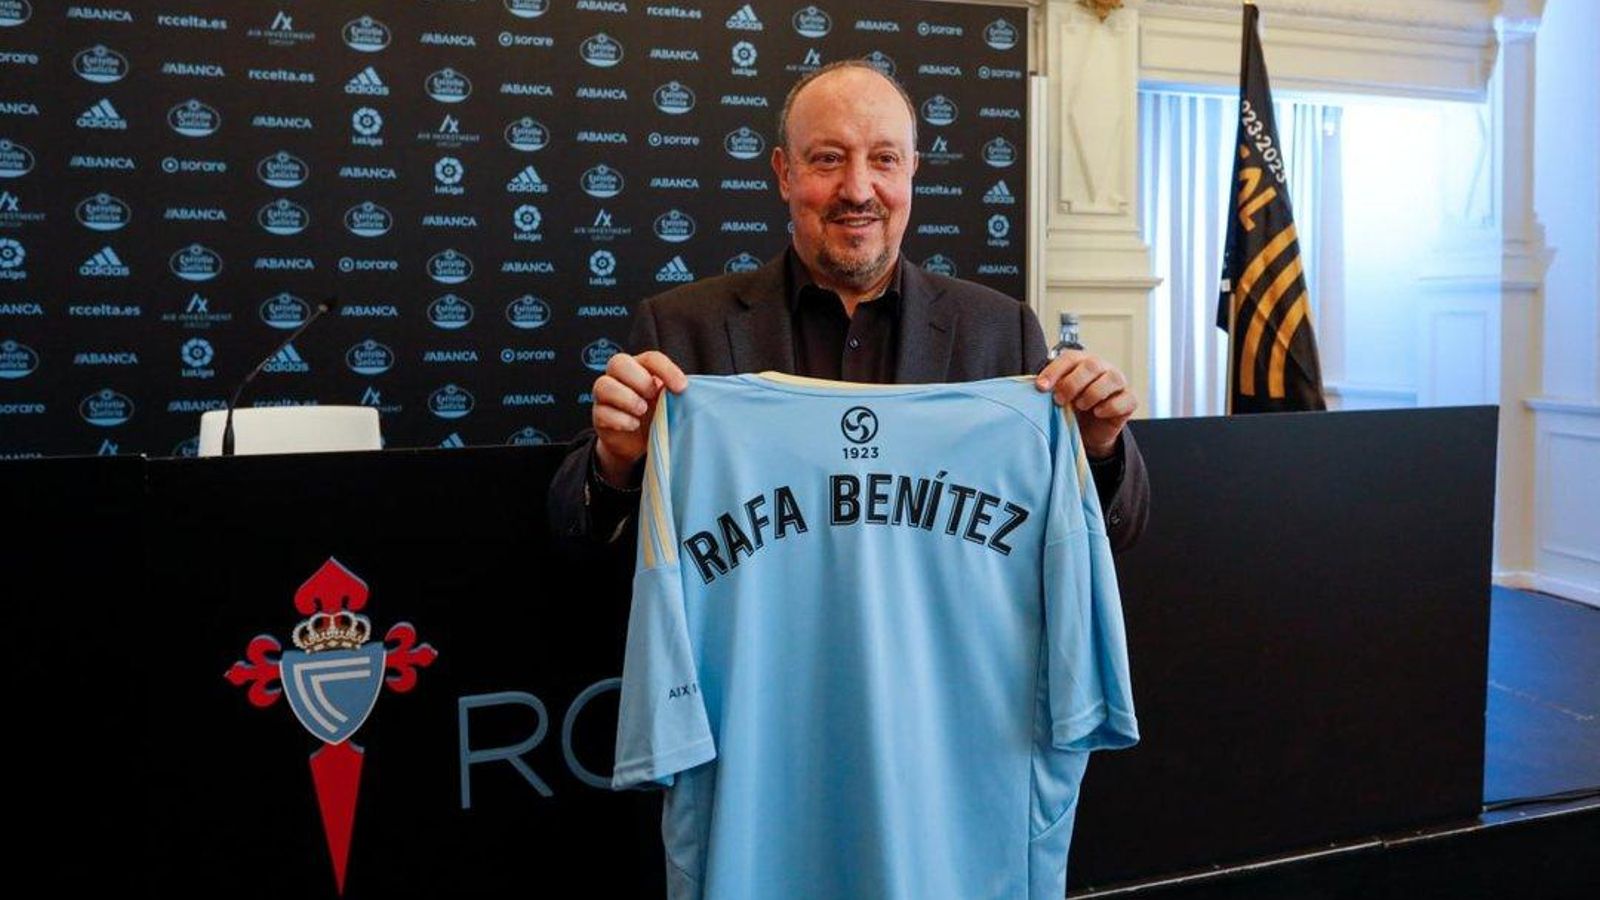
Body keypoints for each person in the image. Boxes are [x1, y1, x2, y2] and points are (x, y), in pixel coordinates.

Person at [550, 61, 1149, 552]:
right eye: (829, 159)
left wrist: (1096, 448)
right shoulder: (682, 327)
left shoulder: (999, 330)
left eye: (884, 159)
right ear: (785, 173)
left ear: (912, 171)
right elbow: (577, 529)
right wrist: (618, 460)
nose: (858, 189)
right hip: (761, 680)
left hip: (938, 682)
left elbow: (1105, 534)